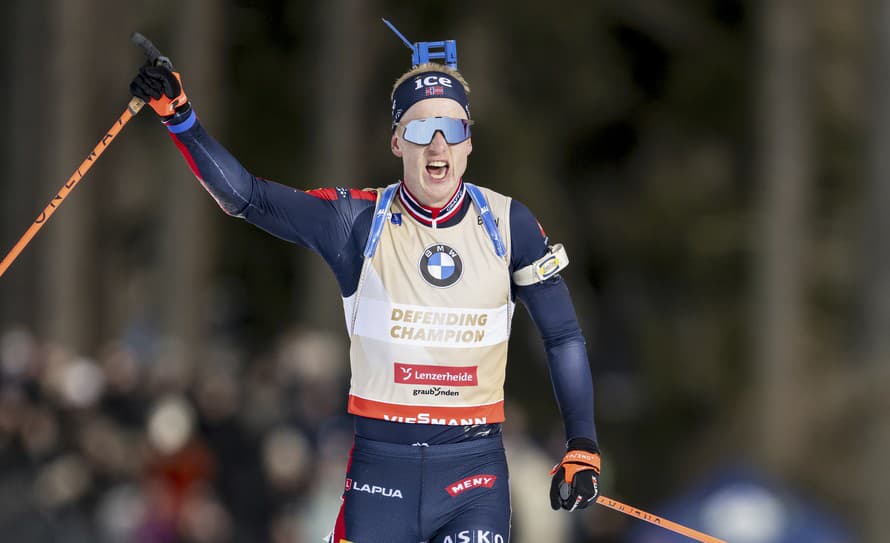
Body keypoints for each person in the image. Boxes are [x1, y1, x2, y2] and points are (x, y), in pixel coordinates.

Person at [130, 29, 602, 543]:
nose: (437, 144)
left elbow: (562, 336)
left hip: (474, 474)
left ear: (469, 141)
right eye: (420, 130)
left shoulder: (509, 224)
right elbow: (247, 197)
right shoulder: (357, 220)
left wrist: (582, 443)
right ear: (397, 141)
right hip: (381, 478)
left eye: (450, 127)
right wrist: (180, 117)